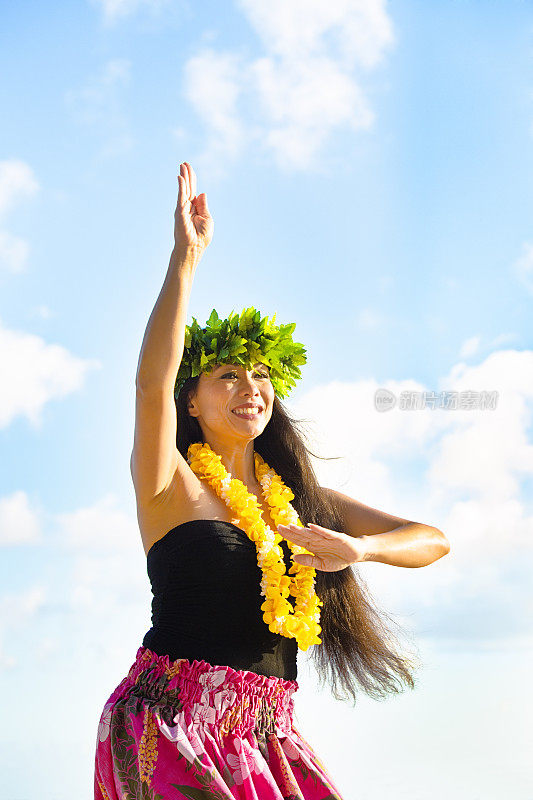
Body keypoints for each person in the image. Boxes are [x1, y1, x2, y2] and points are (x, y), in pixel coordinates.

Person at [94, 162, 450, 799]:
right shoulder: (168, 483)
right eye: (225, 375)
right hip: (169, 725)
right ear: (192, 403)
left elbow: (430, 540)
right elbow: (151, 383)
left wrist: (360, 549)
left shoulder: (301, 502)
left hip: (267, 733)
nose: (248, 388)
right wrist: (186, 259)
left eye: (259, 376)